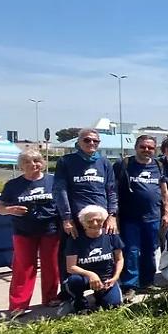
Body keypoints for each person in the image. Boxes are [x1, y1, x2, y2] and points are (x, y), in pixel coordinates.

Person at [53, 128, 118, 308]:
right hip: (76, 219)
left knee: (104, 254)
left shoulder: (104, 163)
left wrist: (112, 216)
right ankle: (70, 293)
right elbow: (60, 190)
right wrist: (66, 217)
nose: (91, 144)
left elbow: (111, 190)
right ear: (78, 142)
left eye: (95, 141)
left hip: (100, 219)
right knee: (69, 256)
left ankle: (103, 289)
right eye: (87, 140)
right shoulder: (66, 161)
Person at [0, 149, 61, 314]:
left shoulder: (53, 181)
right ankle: (18, 305)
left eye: (37, 160)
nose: (33, 165)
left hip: (50, 230)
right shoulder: (13, 185)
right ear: (21, 166)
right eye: (28, 162)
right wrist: (10, 209)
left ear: (43, 163)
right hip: (23, 231)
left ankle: (51, 297)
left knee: (51, 266)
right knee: (24, 268)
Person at [112, 135, 168, 299]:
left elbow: (164, 192)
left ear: (155, 149)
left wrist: (166, 212)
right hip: (130, 217)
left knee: (150, 250)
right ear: (136, 147)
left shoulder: (158, 165)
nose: (146, 150)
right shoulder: (124, 164)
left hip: (153, 216)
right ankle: (130, 285)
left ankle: (147, 282)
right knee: (130, 251)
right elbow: (113, 189)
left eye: (150, 148)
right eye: (143, 147)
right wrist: (113, 215)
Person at [63, 205, 124, 312]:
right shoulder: (75, 238)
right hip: (84, 278)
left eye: (98, 220)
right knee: (74, 281)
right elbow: (71, 267)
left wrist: (115, 277)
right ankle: (79, 301)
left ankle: (100, 295)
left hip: (106, 278)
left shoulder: (111, 235)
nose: (95, 223)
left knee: (114, 305)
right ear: (82, 223)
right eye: (90, 221)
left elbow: (119, 259)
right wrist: (91, 274)